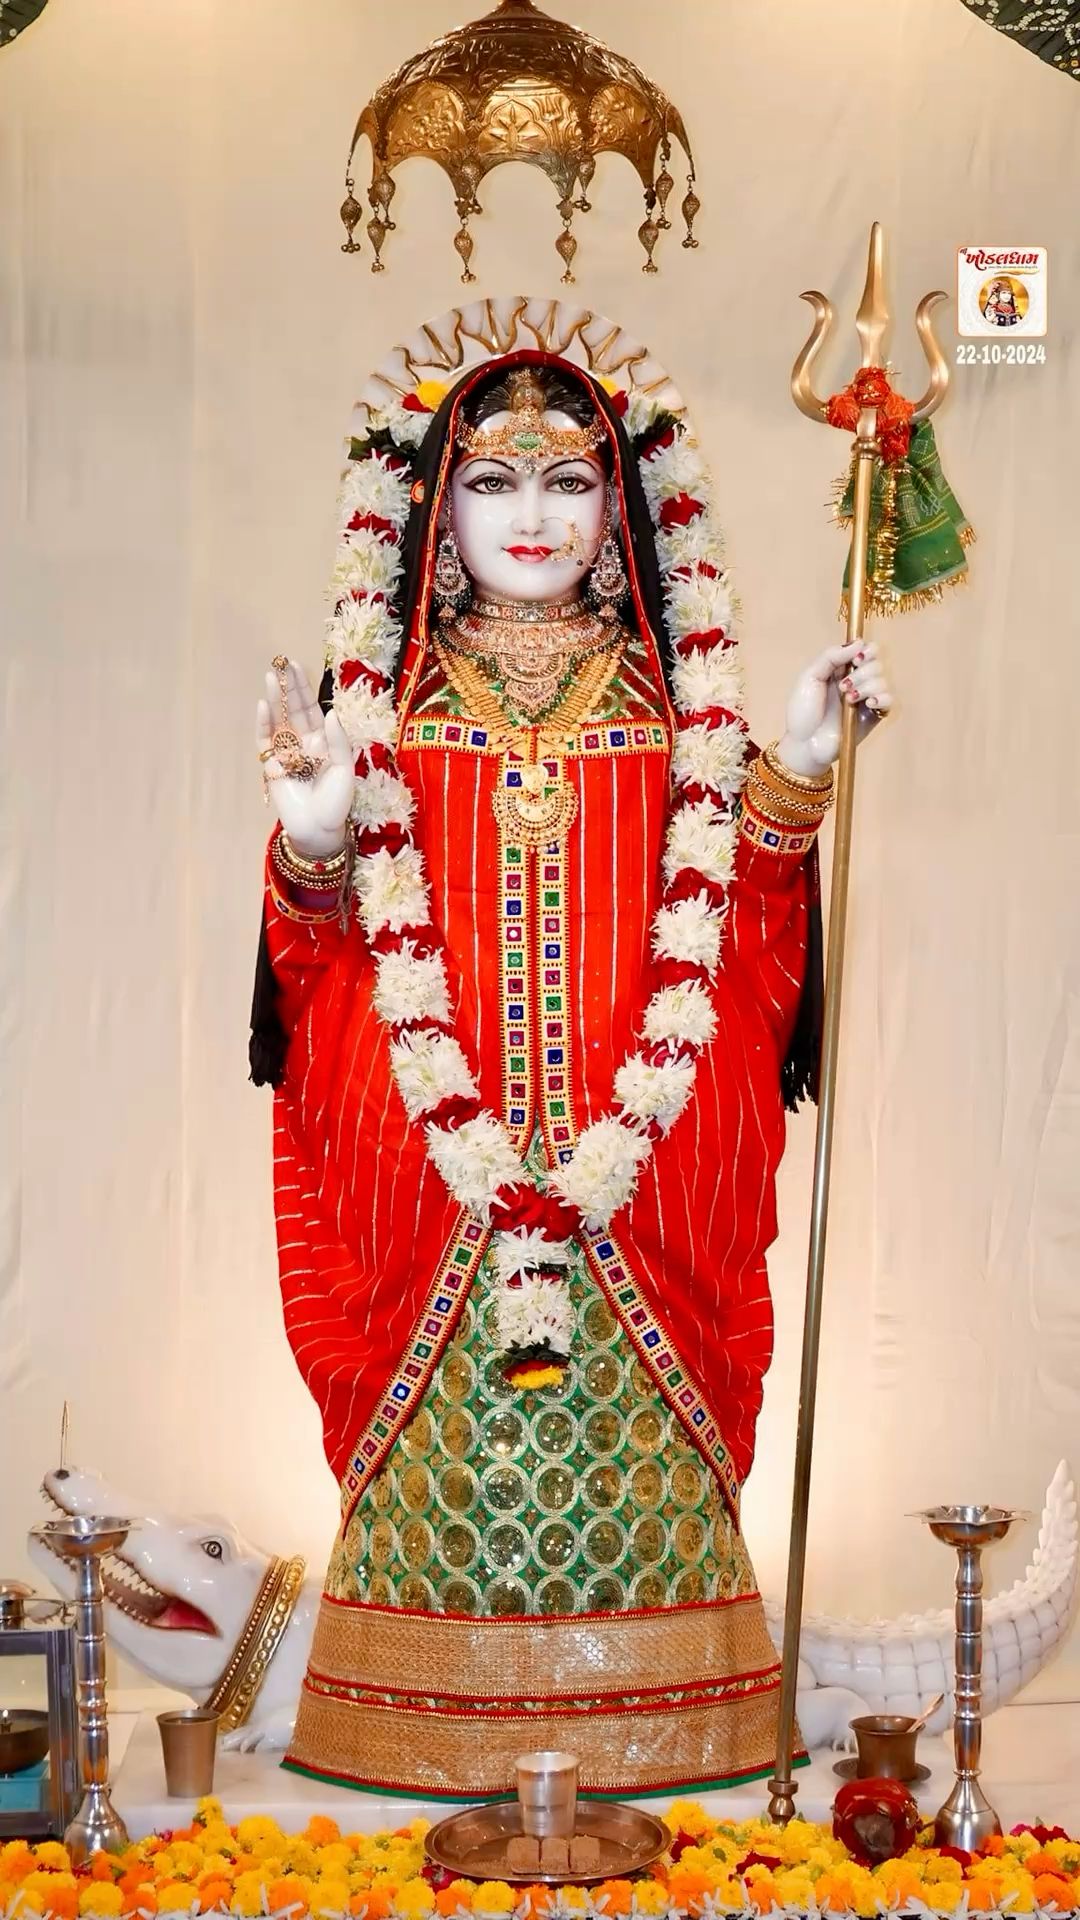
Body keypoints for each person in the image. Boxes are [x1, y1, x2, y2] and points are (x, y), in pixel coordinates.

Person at [251, 352, 891, 1797]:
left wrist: (791, 766)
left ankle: (675, 1722)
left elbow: (747, 927)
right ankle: (413, 1724)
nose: (529, 516)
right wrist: (315, 842)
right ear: (431, 515)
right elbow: (311, 968)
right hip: (436, 1190)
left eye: (567, 480)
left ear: (624, 510)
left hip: (637, 1184)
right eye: (489, 482)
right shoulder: (386, 730)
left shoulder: (677, 725)